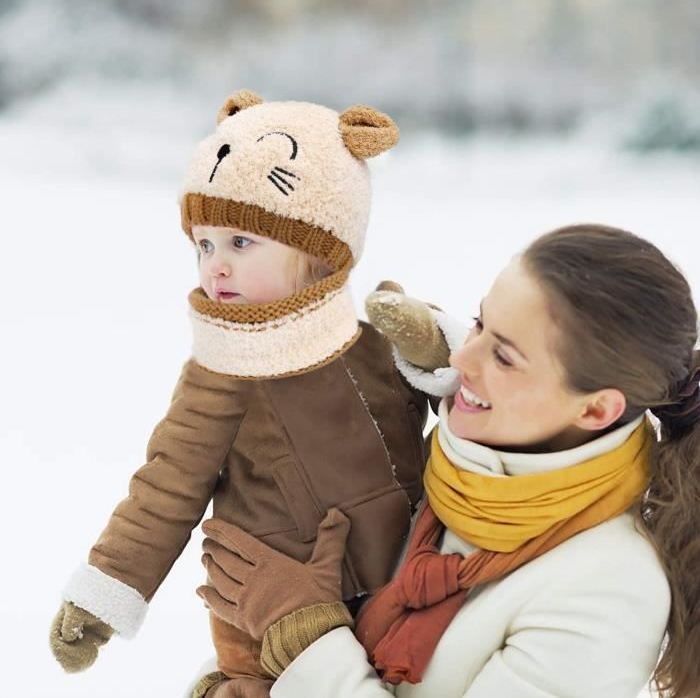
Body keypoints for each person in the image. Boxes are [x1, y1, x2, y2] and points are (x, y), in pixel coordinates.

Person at [48, 90, 461, 698]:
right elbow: (165, 488)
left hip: (401, 576)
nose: (214, 265)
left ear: (319, 251)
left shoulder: (373, 343)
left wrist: (433, 348)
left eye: (241, 243)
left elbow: (469, 398)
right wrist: (107, 590)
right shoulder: (219, 376)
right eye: (204, 245)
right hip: (269, 598)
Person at [196, 224, 700, 698]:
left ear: (595, 409)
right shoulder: (429, 467)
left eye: (503, 357)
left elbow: (307, 636)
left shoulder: (607, 592)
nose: (463, 359)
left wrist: (304, 634)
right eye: (480, 323)